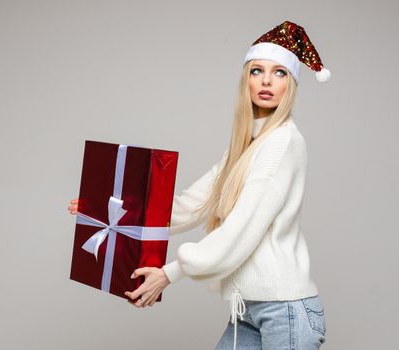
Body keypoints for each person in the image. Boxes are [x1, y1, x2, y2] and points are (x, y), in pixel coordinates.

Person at [68, 20, 330, 350]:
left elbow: (240, 230)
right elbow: (195, 202)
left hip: (285, 313)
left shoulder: (282, 144)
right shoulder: (249, 143)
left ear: (291, 84)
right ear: (245, 80)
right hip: (248, 309)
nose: (266, 81)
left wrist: (170, 272)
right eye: (257, 71)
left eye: (279, 73)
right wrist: (107, 209)